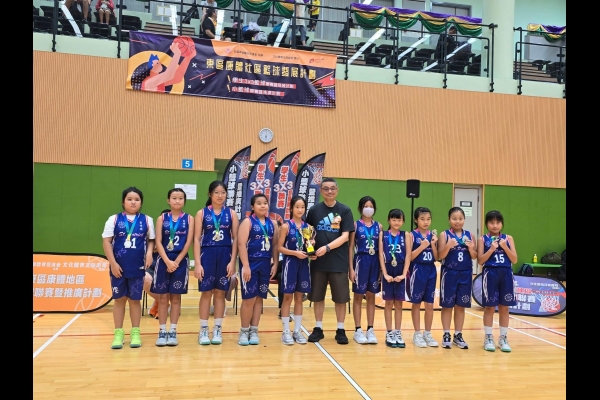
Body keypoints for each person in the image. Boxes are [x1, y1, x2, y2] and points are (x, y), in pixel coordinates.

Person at [101, 187, 155, 349]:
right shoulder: (114, 219)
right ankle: (118, 333)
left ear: (141, 203)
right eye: (129, 199)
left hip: (137, 266)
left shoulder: (147, 220)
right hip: (118, 267)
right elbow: (106, 242)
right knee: (119, 300)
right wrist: (113, 263)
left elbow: (151, 240)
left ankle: (135, 332)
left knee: (135, 300)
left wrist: (149, 253)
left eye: (137, 199)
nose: (133, 202)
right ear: (123, 202)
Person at [305, 178, 355, 345]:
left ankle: (340, 329)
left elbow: (345, 236)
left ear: (337, 190)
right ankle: (318, 328)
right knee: (317, 297)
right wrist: (310, 249)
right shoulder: (314, 210)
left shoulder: (345, 210)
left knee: (340, 298)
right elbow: (308, 233)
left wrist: (327, 248)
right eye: (326, 188)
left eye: (332, 188)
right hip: (318, 262)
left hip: (338, 262)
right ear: (321, 191)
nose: (329, 191)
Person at [193, 180, 239, 345]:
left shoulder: (231, 214)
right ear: (210, 194)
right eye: (217, 192)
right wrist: (198, 263)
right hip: (207, 254)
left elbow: (236, 239)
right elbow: (196, 239)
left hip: (225, 254)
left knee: (220, 293)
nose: (220, 196)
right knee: (206, 292)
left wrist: (232, 262)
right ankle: (203, 329)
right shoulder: (201, 213)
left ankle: (218, 329)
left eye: (223, 193)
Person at [152, 189, 194, 346]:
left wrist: (176, 261)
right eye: (174, 198)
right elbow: (158, 242)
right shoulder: (162, 218)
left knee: (176, 298)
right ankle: (162, 331)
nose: (177, 201)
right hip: (163, 260)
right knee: (163, 298)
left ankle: (173, 331)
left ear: (184, 201)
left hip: (180, 260)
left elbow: (188, 242)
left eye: (180, 198)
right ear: (168, 200)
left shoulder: (189, 219)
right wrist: (167, 261)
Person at [237, 194, 279, 346]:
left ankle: (254, 330)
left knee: (260, 298)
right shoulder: (248, 222)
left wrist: (275, 263)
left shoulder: (272, 223)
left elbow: (275, 245)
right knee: (249, 299)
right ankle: (244, 330)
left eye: (265, 203)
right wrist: (246, 266)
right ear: (252, 207)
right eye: (259, 203)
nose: (263, 206)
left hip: (265, 263)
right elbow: (241, 245)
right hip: (250, 263)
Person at [277, 196, 316, 345]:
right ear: (291, 208)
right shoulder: (286, 226)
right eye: (297, 207)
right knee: (287, 297)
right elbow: (280, 248)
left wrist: (311, 250)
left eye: (302, 207)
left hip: (303, 264)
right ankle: (286, 331)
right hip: (290, 263)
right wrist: (295, 253)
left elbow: (308, 247)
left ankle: (297, 331)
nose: (300, 210)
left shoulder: (308, 227)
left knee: (299, 298)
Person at [477, 210, 518, 352]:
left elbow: (514, 259)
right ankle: (488, 337)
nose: (495, 225)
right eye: (491, 222)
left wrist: (505, 247)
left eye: (498, 222)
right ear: (486, 224)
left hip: (506, 273)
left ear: (502, 224)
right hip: (490, 273)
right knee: (489, 307)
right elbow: (480, 261)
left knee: (504, 307)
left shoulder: (508, 238)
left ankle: (503, 338)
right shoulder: (482, 239)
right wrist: (491, 250)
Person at [436, 207, 477, 349]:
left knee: (461, 306)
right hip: (449, 273)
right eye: (454, 218)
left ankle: (458, 334)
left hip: (465, 273)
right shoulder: (444, 235)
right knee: (447, 305)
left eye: (460, 218)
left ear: (464, 219)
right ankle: (446, 333)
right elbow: (440, 255)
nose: (457, 221)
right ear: (449, 220)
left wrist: (471, 249)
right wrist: (448, 245)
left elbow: (474, 256)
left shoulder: (470, 235)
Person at [349, 196, 382, 345]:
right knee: (358, 296)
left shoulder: (379, 226)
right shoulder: (355, 225)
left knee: (371, 296)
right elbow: (350, 247)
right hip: (360, 261)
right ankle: (358, 330)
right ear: (360, 208)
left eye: (371, 206)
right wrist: (351, 268)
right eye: (365, 206)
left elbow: (381, 249)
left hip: (374, 262)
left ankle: (370, 329)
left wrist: (381, 269)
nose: (368, 208)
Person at [406, 207, 439, 348]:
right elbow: (410, 257)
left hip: (431, 270)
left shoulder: (433, 235)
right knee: (416, 303)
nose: (426, 222)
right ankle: (417, 333)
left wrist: (433, 244)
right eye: (422, 219)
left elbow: (437, 257)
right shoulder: (411, 235)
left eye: (428, 219)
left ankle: (427, 333)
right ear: (416, 220)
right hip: (417, 269)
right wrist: (422, 246)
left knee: (430, 304)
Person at [378, 209, 411, 348]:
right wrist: (385, 274)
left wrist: (403, 274)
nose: (396, 222)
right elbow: (380, 254)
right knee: (388, 303)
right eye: (394, 219)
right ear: (389, 220)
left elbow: (408, 255)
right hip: (388, 268)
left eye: (399, 220)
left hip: (400, 268)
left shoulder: (406, 235)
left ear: (403, 221)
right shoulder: (383, 234)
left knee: (399, 304)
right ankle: (389, 332)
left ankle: (398, 332)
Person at [131, 36, 196, 93]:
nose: (160, 63)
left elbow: (177, 78)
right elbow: (168, 75)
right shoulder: (149, 82)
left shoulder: (159, 81)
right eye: (157, 62)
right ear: (151, 66)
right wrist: (177, 54)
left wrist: (188, 58)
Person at [145, 208, 171, 320]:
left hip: (168, 267)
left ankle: (160, 304)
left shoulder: (178, 234)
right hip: (152, 267)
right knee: (144, 278)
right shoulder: (152, 234)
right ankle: (162, 302)